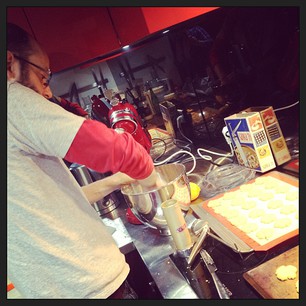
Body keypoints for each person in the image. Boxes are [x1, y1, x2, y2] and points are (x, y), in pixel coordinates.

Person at [7, 22, 159, 299]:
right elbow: (116, 149)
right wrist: (152, 180)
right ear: (9, 64)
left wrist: (117, 179)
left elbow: (50, 206)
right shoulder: (11, 101)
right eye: (44, 77)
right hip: (89, 286)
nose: (48, 93)